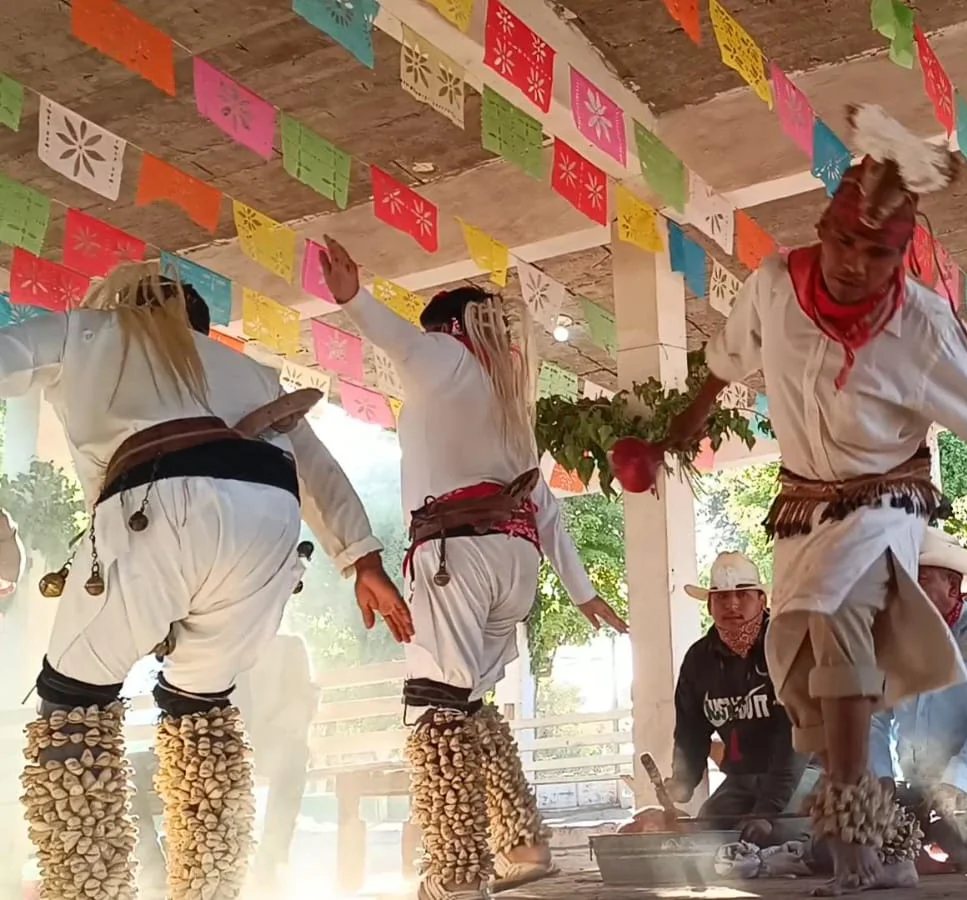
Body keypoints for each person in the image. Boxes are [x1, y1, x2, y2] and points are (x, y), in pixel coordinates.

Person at [666, 103, 967, 895]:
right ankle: (874, 835)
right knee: (805, 667)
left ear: (902, 255)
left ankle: (853, 843)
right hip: (802, 509)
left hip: (886, 507)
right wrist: (679, 430)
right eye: (840, 241)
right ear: (821, 228)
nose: (850, 263)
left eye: (874, 252)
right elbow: (727, 357)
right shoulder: (775, 285)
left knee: (842, 626)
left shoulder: (926, 327)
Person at [0, 262, 412, 900]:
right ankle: (211, 887)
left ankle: (90, 888)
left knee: (73, 704)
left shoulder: (93, 329)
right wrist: (363, 558)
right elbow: (318, 470)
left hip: (156, 508)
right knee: (200, 708)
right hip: (268, 522)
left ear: (131, 307)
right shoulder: (247, 371)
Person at [320, 237, 629, 900]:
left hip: (455, 555)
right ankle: (521, 842)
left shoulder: (444, 356)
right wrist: (581, 592)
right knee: (468, 704)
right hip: (515, 558)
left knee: (434, 706)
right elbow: (543, 504)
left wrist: (352, 295)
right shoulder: (504, 394)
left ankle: (457, 872)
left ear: (447, 327)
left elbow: (398, 339)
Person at [870, 527, 967, 872]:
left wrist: (958, 781)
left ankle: (964, 864)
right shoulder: (892, 641)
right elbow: (875, 717)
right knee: (852, 831)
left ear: (953, 587)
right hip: (916, 787)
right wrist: (880, 776)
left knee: (957, 823)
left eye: (919, 580)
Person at [127, 630, 319, 896]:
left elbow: (303, 702)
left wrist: (260, 738)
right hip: (192, 747)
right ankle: (153, 873)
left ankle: (270, 865)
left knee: (294, 759)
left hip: (261, 745)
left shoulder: (288, 647)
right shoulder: (197, 643)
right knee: (128, 772)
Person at [660, 551, 810, 842]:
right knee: (705, 834)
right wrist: (681, 783)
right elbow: (691, 733)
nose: (732, 604)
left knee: (778, 835)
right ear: (709, 606)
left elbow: (795, 741)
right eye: (722, 597)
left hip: (802, 773)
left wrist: (767, 811)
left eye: (743, 595)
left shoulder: (786, 648)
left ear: (762, 601)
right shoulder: (698, 660)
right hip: (743, 778)